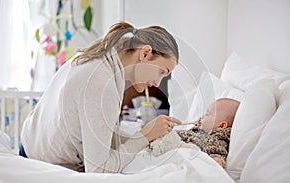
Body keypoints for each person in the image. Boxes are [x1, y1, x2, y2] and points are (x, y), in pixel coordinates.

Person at [20, 22, 181, 173]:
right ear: (145, 53)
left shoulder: (102, 56)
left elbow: (99, 132)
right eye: (162, 72)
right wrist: (144, 136)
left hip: (31, 146)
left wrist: (144, 135)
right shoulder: (101, 83)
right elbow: (98, 171)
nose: (157, 83)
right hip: (40, 166)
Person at [149, 98, 240, 168]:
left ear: (221, 126)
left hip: (188, 156)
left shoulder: (216, 137)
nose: (202, 117)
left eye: (207, 114)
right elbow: (185, 134)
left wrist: (217, 160)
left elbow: (217, 150)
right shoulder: (199, 130)